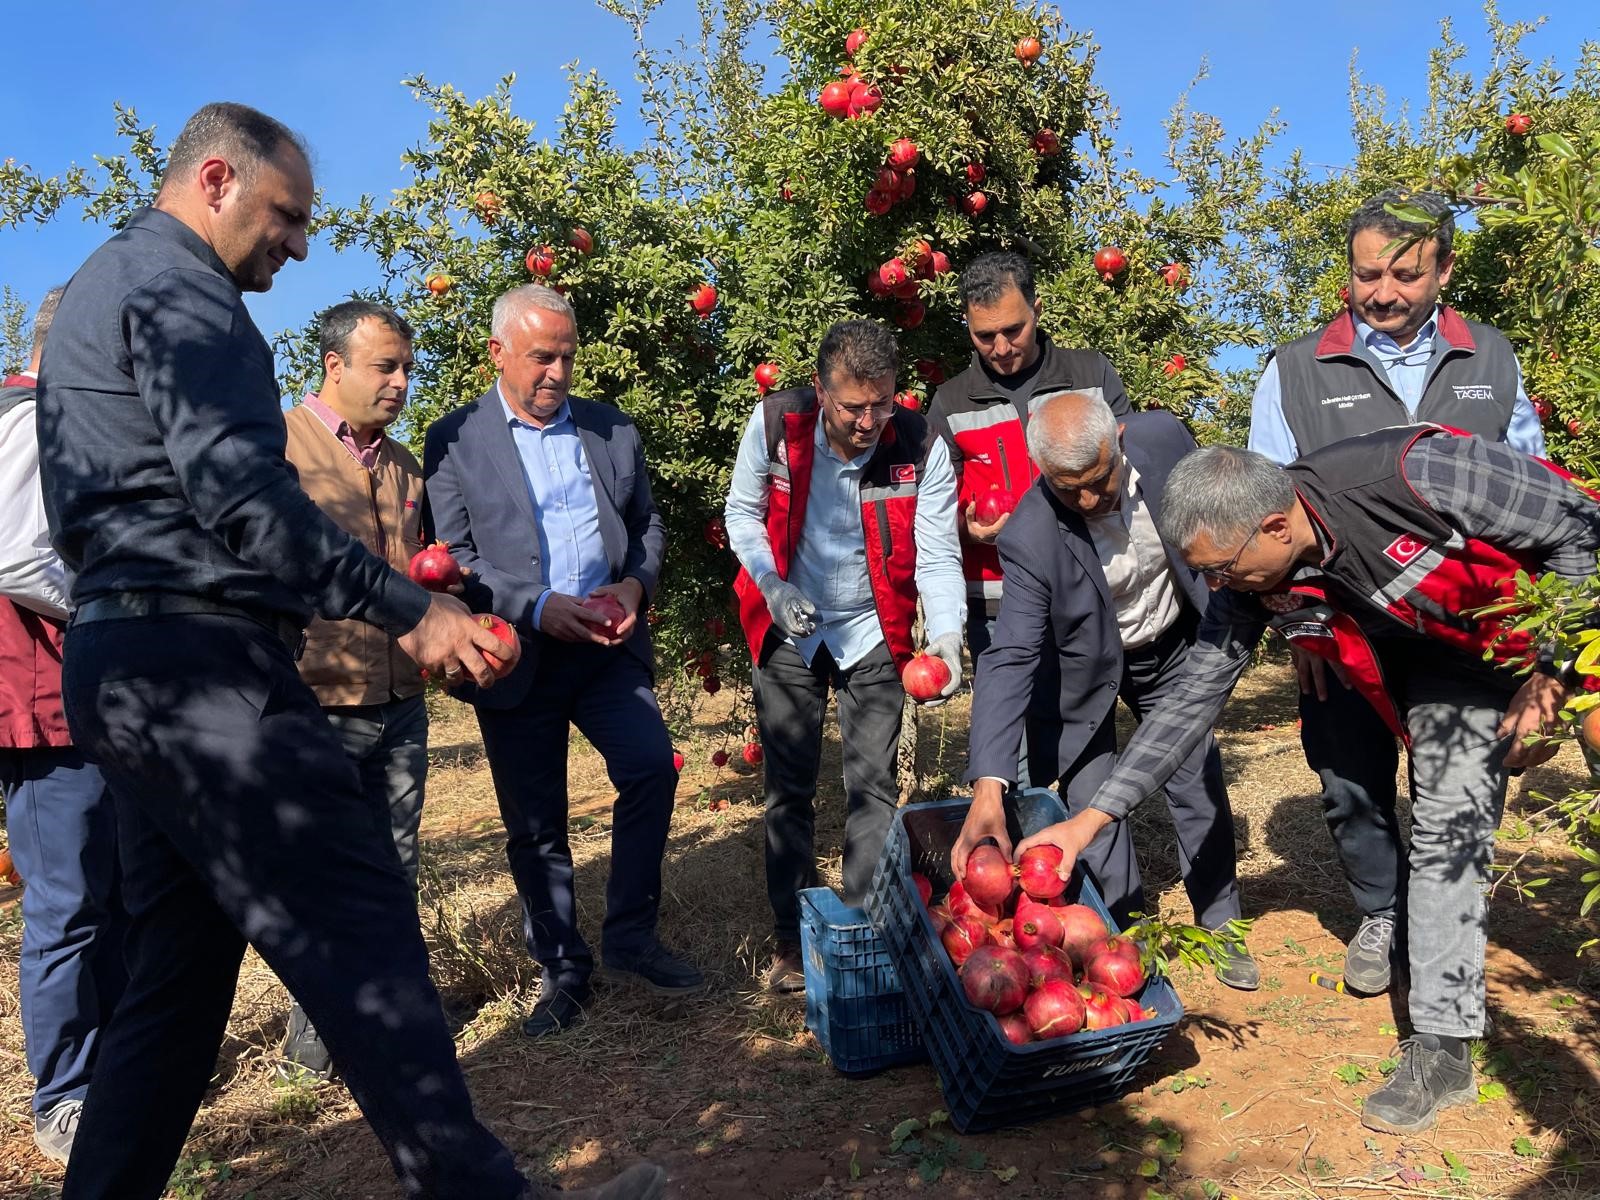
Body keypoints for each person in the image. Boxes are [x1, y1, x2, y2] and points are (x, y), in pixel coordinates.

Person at [37, 102, 662, 1200]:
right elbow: (244, 501)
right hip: (203, 669)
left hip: (122, 665)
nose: (299, 243)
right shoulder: (189, 293)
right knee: (369, 939)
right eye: (286, 215)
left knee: (173, 992)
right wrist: (409, 610)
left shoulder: (98, 283)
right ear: (218, 179)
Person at [1015, 425, 1598, 1135]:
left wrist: (1551, 672)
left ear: (1277, 525)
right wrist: (1093, 819)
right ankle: (1443, 1053)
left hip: (1528, 640)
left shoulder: (1418, 474)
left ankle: (1454, 1038)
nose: (1217, 588)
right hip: (1422, 661)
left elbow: (1581, 531)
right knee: (1443, 826)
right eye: (1205, 575)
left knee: (1498, 805)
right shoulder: (1252, 578)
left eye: (1224, 570)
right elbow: (1188, 702)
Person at [1248, 188, 1547, 994]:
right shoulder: (1295, 369)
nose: (1382, 292)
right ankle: (1382, 908)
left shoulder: (1493, 358)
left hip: (1465, 619)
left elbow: (1534, 492)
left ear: (1445, 269)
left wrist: (1536, 640)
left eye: (1405, 274)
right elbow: (1272, 509)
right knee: (1348, 780)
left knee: (1457, 781)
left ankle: (1438, 917)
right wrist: (1304, 622)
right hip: (1346, 620)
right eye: (1365, 273)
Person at [423, 283, 703, 1040]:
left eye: (567, 356)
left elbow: (647, 526)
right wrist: (538, 605)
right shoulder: (453, 441)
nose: (556, 371)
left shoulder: (613, 431)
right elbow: (457, 559)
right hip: (518, 655)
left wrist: (634, 585)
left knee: (650, 766)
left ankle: (632, 937)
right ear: (498, 353)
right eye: (540, 356)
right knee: (535, 822)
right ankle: (563, 967)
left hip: (607, 650)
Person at [950, 393, 1257, 987]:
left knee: (1194, 782)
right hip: (1083, 678)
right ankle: (1124, 939)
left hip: (1171, 646)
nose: (1089, 499)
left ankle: (1221, 925)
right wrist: (989, 787)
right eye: (1069, 490)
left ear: (1118, 439)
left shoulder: (1166, 440)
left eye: (1098, 480)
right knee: (1095, 807)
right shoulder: (1029, 536)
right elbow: (1010, 656)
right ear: (1044, 475)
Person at [725, 318, 966, 992]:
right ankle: (792, 938)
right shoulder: (776, 422)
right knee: (788, 791)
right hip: (790, 628)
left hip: (874, 631)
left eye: (882, 403)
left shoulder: (919, 443)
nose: (868, 421)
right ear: (821, 392)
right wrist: (771, 584)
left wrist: (945, 634)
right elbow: (742, 512)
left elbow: (940, 552)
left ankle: (860, 930)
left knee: (874, 789)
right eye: (853, 406)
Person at [277, 300, 433, 1079]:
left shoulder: (406, 465)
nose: (401, 382)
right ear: (334, 366)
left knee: (394, 863)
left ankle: (392, 1014)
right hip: (317, 702)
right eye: (386, 367)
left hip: (402, 702)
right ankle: (316, 1038)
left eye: (407, 367)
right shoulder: (280, 447)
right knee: (319, 873)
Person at [0, 287, 127, 1164]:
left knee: (110, 891)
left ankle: (115, 1067)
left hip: (88, 700)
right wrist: (111, 607)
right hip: (41, 708)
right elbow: (15, 553)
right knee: (67, 903)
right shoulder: (26, 414)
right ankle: (66, 1095)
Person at [928, 251, 1132, 783]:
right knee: (1011, 754)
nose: (1000, 348)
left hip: (1089, 590)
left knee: (1085, 737)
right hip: (997, 602)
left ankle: (1080, 851)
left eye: (1012, 330)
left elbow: (1122, 471)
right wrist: (965, 528)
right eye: (984, 336)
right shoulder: (949, 403)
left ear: (1037, 310)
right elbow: (933, 508)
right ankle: (1023, 852)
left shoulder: (1090, 374)